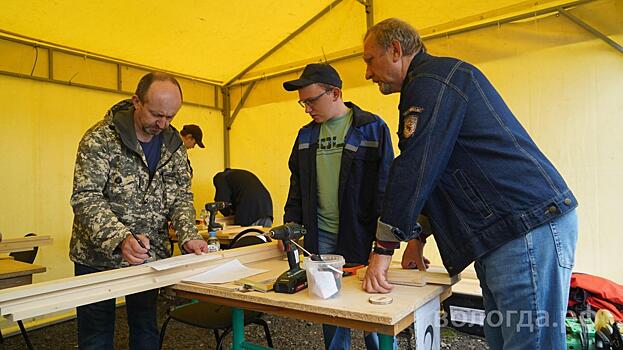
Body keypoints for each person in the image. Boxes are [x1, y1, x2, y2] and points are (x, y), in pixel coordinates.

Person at [361, 18, 578, 350]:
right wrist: (417, 237)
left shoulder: (431, 80)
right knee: (507, 342)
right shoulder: (433, 83)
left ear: (395, 50)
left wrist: (383, 248)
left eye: (369, 60)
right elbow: (441, 173)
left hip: (524, 228)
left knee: (530, 344)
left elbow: (416, 166)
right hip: (509, 232)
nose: (367, 73)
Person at [69, 72, 208, 349]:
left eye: (170, 116)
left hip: (148, 257)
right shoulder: (100, 139)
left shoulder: (173, 145)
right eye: (157, 115)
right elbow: (86, 197)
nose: (163, 124)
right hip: (96, 258)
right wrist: (121, 238)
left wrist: (188, 234)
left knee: (145, 330)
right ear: (136, 102)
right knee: (96, 337)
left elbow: (180, 195)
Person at [283, 63, 395, 350]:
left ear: (335, 93)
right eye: (302, 103)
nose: (307, 109)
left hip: (361, 234)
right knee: (329, 308)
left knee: (373, 309)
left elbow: (386, 186)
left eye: (311, 100)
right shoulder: (305, 136)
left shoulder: (371, 128)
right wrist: (291, 227)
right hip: (320, 238)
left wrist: (385, 241)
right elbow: (296, 184)